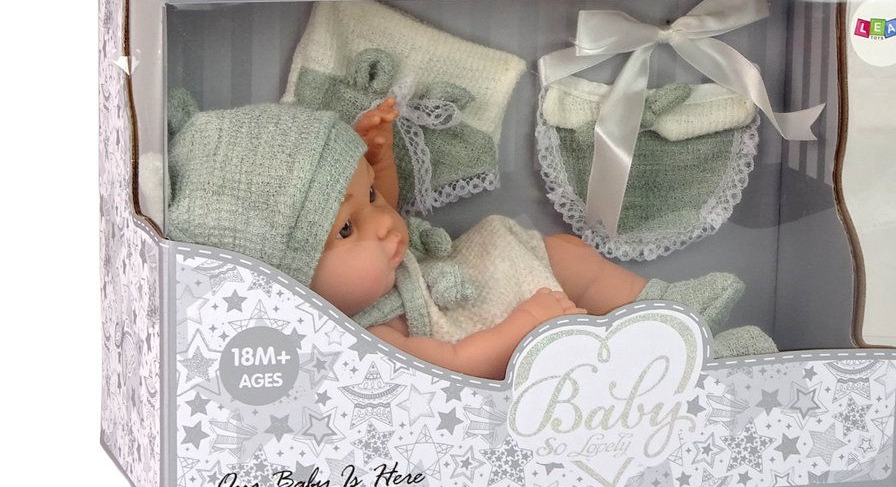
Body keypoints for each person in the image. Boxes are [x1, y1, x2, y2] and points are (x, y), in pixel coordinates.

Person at [166, 91, 775, 380]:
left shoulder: (377, 250)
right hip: (494, 332)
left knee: (562, 251)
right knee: (577, 348)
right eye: (347, 228)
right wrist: (526, 325)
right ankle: (685, 361)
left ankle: (662, 304)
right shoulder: (369, 342)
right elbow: (458, 363)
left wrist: (378, 160)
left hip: (470, 276)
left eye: (368, 198)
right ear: (290, 281)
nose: (384, 222)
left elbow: (389, 210)